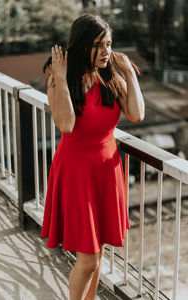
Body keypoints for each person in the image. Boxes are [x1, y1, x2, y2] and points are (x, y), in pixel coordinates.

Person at [41, 14, 145, 300]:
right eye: (98, 45)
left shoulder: (111, 77)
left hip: (105, 171)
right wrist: (61, 80)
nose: (105, 52)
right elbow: (66, 124)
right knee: (87, 258)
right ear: (82, 44)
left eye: (109, 44)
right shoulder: (60, 77)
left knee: (97, 255)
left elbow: (136, 114)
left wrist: (129, 73)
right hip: (76, 172)